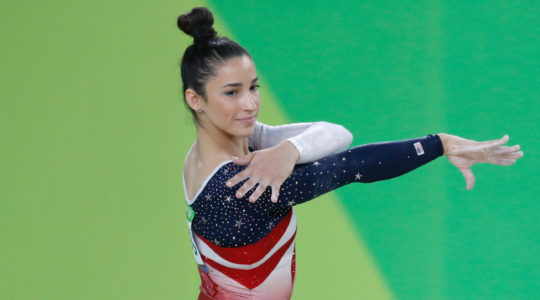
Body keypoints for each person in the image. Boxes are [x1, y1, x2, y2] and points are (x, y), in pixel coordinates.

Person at [178, 7, 523, 300]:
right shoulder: (241, 184)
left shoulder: (226, 148)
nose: (250, 104)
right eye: (232, 93)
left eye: (253, 87)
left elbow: (337, 135)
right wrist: (441, 144)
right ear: (196, 99)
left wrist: (290, 149)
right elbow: (353, 164)